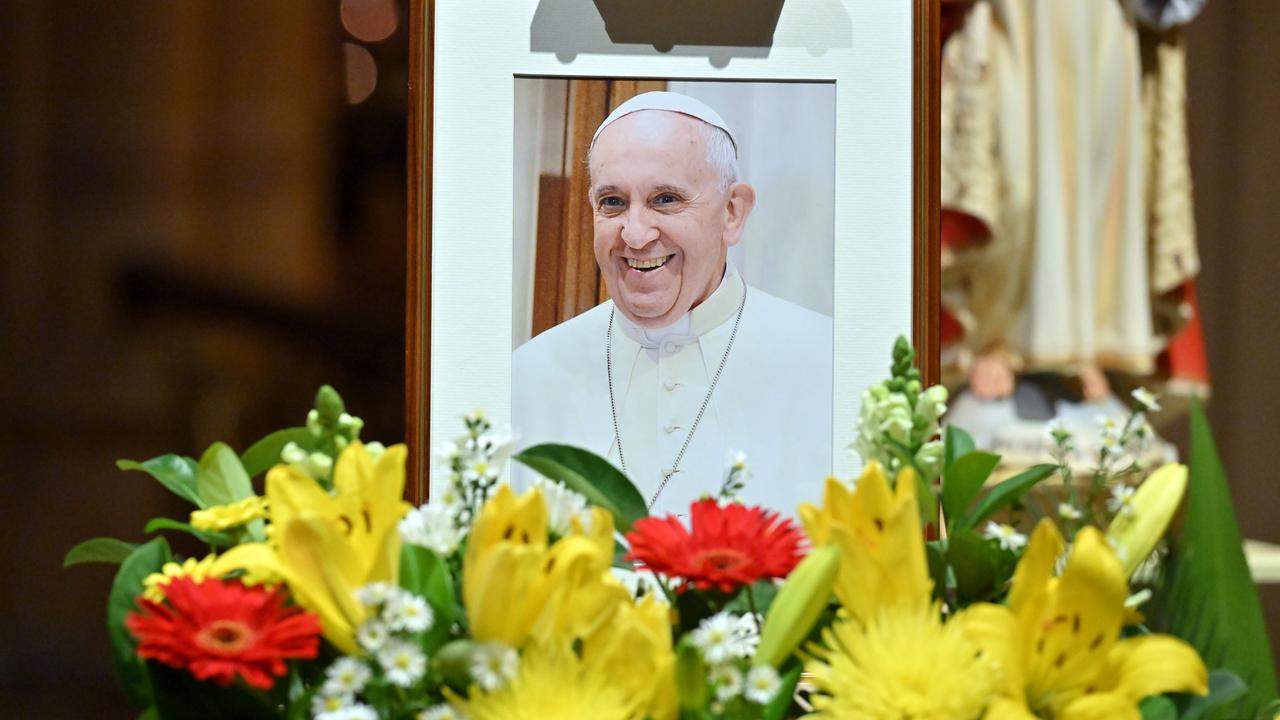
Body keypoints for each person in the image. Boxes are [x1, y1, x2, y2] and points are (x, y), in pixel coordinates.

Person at [512, 91, 832, 515]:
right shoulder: (529, 374)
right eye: (613, 202)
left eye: (666, 200)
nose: (636, 234)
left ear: (732, 213)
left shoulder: (826, 362)